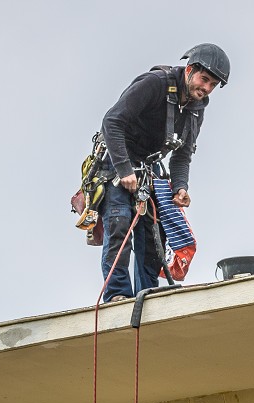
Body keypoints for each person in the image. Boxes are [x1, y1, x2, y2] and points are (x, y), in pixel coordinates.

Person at [97, 44, 229, 302]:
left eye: (213, 85)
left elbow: (183, 153)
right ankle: (117, 295)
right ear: (190, 70)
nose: (206, 88)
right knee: (119, 222)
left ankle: (149, 295)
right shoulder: (155, 83)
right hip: (117, 161)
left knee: (154, 234)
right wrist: (124, 169)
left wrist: (181, 187)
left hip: (149, 170)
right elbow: (112, 121)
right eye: (204, 80)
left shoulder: (196, 107)